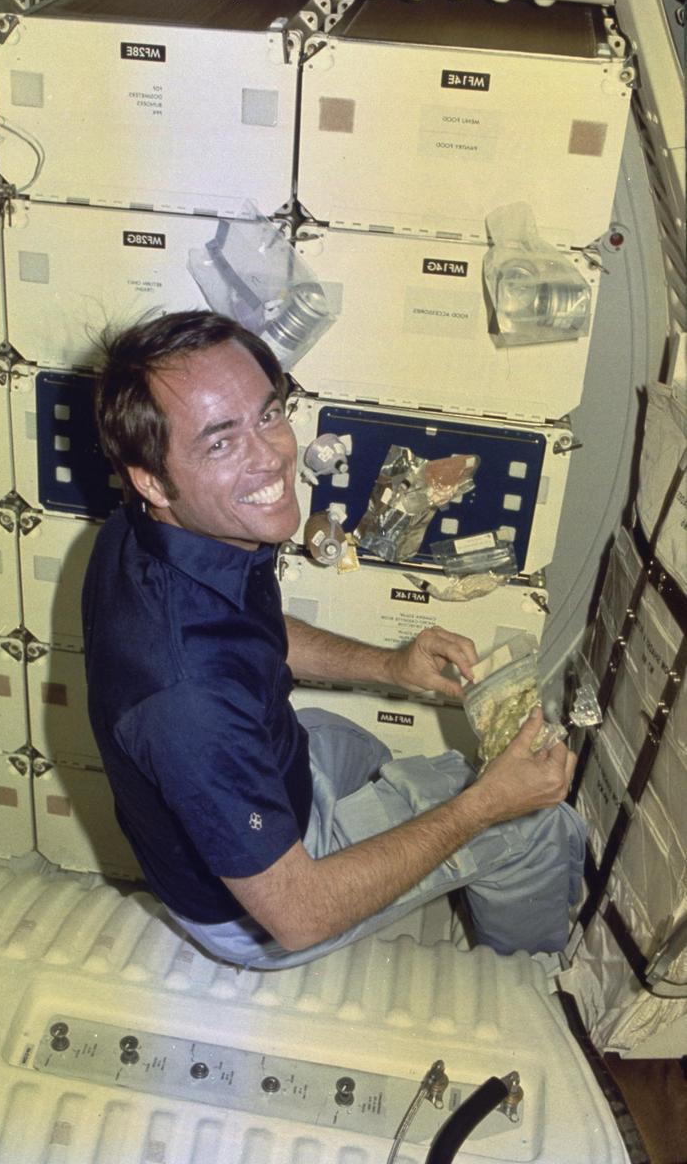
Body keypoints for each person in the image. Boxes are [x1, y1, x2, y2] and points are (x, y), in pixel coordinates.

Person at [82, 310, 585, 969]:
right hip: (265, 913)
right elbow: (299, 915)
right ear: (151, 478)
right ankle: (532, 988)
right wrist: (484, 808)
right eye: (220, 442)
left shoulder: (148, 531)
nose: (272, 457)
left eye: (267, 414)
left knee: (366, 751)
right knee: (536, 823)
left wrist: (391, 665)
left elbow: (247, 638)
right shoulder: (188, 699)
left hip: (276, 774)